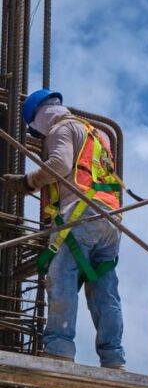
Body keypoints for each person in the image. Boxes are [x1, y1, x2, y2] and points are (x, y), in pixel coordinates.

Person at [2, 89, 126, 368]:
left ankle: (58, 347)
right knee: (104, 288)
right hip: (110, 218)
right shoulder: (96, 134)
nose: (41, 139)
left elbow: (59, 164)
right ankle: (113, 357)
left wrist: (27, 182)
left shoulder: (61, 129)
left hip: (82, 214)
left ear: (39, 118)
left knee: (61, 278)